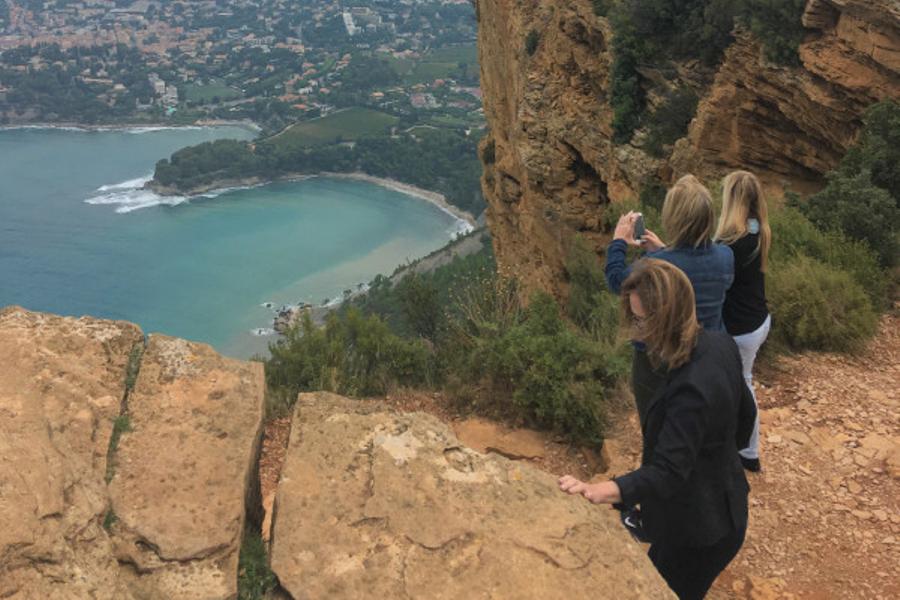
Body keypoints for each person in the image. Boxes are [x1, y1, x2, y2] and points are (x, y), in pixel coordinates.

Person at [559, 259, 756, 600]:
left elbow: (667, 471)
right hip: (725, 504)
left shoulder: (689, 388)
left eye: (641, 319)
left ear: (666, 317)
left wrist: (602, 490)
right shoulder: (720, 344)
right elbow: (746, 417)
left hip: (701, 531)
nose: (636, 329)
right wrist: (713, 460)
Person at [605, 174, 734, 418]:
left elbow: (616, 281)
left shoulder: (654, 266)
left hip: (659, 362)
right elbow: (691, 271)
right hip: (709, 356)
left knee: (658, 429)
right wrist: (664, 250)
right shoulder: (726, 257)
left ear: (673, 218)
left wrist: (618, 242)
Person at [714, 170, 772, 473]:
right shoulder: (758, 228)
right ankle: (744, 449)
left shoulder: (730, 241)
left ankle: (746, 452)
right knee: (742, 381)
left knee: (738, 386)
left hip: (741, 328)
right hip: (759, 318)